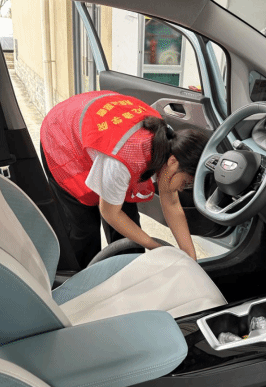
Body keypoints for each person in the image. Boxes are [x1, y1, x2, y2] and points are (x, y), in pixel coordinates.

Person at [40, 90, 208, 268]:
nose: (182, 188)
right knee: (84, 232)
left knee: (129, 233)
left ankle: (128, 272)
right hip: (63, 135)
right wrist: (155, 247)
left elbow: (172, 203)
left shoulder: (170, 145)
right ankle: (85, 280)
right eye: (186, 182)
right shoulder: (123, 160)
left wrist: (190, 258)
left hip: (101, 130)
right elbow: (110, 213)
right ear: (173, 162)